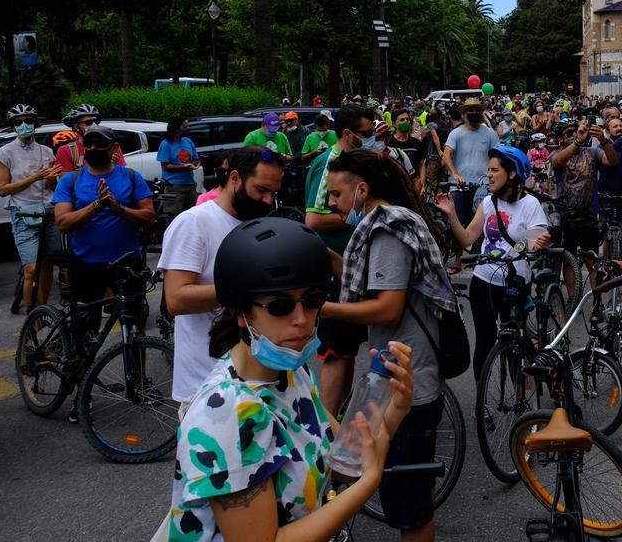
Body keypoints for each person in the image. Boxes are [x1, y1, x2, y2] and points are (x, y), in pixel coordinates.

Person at [167, 217, 415, 542]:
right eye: (281, 305)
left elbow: (343, 459)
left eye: (313, 301)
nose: (301, 320)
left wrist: (395, 407)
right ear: (241, 313)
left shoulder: (291, 372)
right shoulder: (228, 415)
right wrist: (370, 483)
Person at [321, 149, 457, 542]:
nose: (332, 203)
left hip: (406, 388)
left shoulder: (387, 230)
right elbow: (374, 282)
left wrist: (319, 309)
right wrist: (329, 258)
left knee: (408, 506)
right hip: (405, 377)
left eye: (335, 194)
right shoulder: (388, 224)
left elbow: (387, 307)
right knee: (413, 492)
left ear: (361, 190)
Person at [162, 146, 285, 402]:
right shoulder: (194, 222)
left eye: (273, 193)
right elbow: (176, 299)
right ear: (235, 178)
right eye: (261, 190)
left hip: (256, 380)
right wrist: (251, 287)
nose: (267, 200)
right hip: (206, 385)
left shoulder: (257, 223)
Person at [52, 124, 156, 420]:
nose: (94, 149)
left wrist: (119, 208)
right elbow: (62, 222)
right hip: (86, 266)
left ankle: (138, 384)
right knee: (86, 331)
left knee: (134, 325)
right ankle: (80, 395)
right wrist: (97, 206)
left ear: (114, 149)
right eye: (90, 144)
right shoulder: (71, 181)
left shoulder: (131, 178)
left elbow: (149, 216)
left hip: (127, 264)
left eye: (101, 144)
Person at [434, 146, 550, 377]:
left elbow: (534, 246)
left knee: (515, 342)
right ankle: (481, 407)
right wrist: (452, 214)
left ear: (512, 174)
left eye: (494, 170)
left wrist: (540, 242)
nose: (488, 174)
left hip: (515, 283)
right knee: (485, 344)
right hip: (483, 281)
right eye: (488, 170)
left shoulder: (530, 205)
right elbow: (467, 238)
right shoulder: (487, 202)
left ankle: (519, 390)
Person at [305, 104, 375, 415]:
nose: (370, 138)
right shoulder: (331, 164)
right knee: (335, 349)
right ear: (348, 134)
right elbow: (313, 220)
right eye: (365, 134)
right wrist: (357, 217)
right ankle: (327, 426)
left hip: (351, 266)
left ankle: (337, 417)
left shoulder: (351, 161)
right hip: (335, 268)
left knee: (346, 349)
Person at [0, 103, 62, 310]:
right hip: (23, 213)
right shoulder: (5, 152)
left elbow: (52, 186)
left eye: (28, 121)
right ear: (13, 126)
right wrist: (35, 177)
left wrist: (51, 178)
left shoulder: (47, 151)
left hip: (49, 212)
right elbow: (3, 189)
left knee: (49, 264)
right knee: (31, 269)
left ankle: (42, 311)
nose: (24, 125)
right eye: (18, 122)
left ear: (36, 123)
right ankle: (31, 319)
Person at [551, 119, 618, 297]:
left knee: (592, 261)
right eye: (568, 133)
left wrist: (604, 140)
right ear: (560, 138)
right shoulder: (558, 153)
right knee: (569, 260)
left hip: (588, 215)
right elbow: (558, 161)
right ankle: (573, 298)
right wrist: (577, 141)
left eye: (575, 130)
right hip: (566, 217)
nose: (574, 134)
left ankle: (597, 300)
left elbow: (612, 160)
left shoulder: (591, 152)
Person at [441, 97, 499, 274]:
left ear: (481, 112)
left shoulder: (489, 134)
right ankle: (458, 260)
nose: (473, 113)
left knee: (484, 223)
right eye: (470, 110)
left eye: (477, 110)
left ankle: (483, 258)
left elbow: (497, 156)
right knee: (458, 223)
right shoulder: (456, 134)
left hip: (483, 187)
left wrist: (493, 176)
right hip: (459, 187)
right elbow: (446, 154)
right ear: (464, 113)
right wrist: (455, 174)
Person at [57, 103, 127, 172]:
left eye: (96, 121)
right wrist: (103, 166)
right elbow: (67, 181)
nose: (94, 124)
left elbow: (123, 176)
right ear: (76, 127)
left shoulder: (110, 145)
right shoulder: (66, 151)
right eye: (88, 122)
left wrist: (111, 166)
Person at [157, 116, 201, 222]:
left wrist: (194, 164)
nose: (188, 128)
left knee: (191, 217)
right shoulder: (166, 144)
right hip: (173, 187)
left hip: (190, 185)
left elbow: (196, 158)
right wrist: (183, 166)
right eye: (185, 126)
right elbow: (165, 166)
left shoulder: (188, 141)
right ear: (177, 129)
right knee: (173, 219)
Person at [388, 108, 424, 176]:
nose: (406, 122)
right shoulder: (389, 143)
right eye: (402, 120)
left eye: (407, 119)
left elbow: (422, 165)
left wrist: (422, 183)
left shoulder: (416, 143)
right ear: (394, 124)